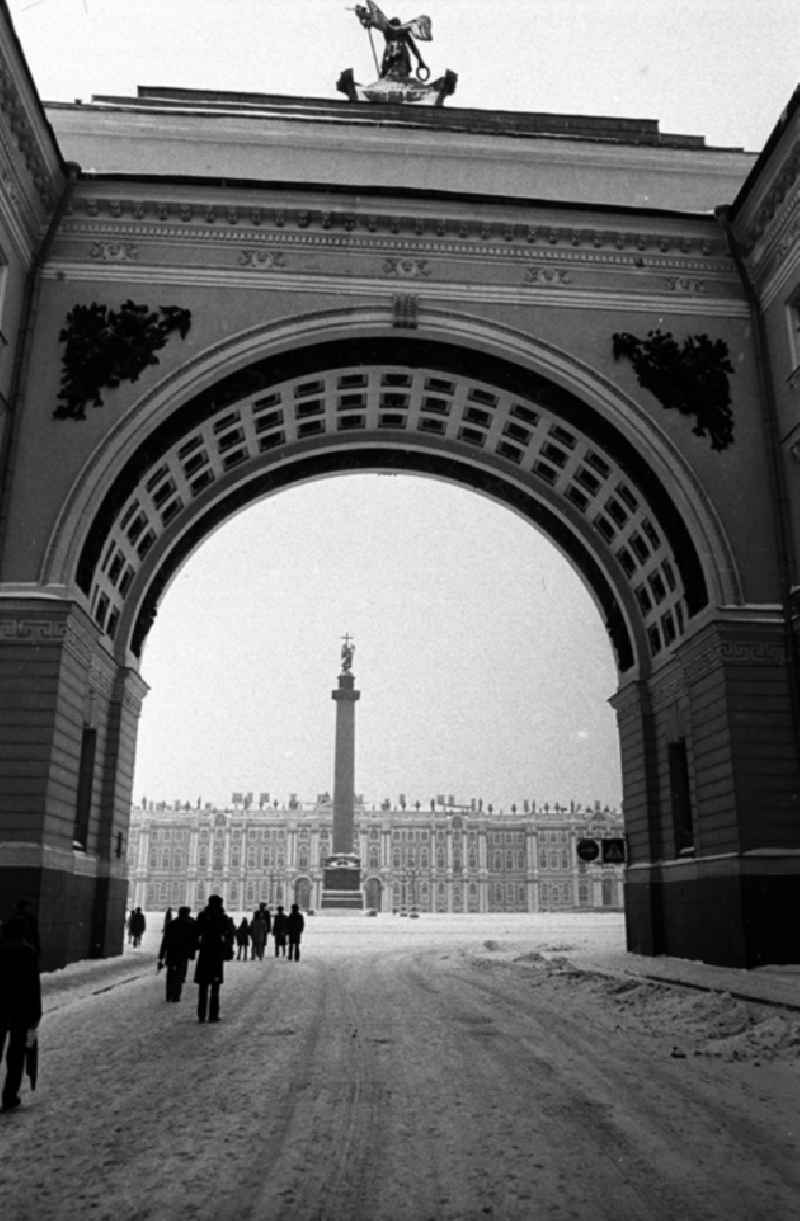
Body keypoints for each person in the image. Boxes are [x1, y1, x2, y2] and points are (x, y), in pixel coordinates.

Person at [0, 915, 41, 1112]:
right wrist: (36, 1015)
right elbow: (34, 987)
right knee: (16, 1056)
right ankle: (9, 1096)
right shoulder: (28, 953)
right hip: (21, 1012)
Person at [354, 2, 431, 80]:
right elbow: (413, 47)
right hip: (390, 58)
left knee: (394, 74)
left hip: (397, 58)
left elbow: (375, 21)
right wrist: (420, 61)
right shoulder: (396, 32)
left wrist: (420, 61)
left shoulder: (393, 31)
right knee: (387, 75)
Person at [194, 895, 233, 1023]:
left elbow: (196, 931)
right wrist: (228, 951)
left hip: (205, 953)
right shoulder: (223, 918)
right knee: (215, 987)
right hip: (216, 954)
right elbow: (229, 934)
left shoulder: (202, 916)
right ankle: (213, 1015)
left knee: (203, 986)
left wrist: (197, 945)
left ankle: (201, 1015)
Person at [158, 906, 196, 1002]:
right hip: (182, 954)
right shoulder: (189, 926)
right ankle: (176, 996)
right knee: (179, 976)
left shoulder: (171, 924)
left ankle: (169, 995)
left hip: (171, 953)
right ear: (187, 913)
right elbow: (192, 942)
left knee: (170, 974)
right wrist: (191, 954)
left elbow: (165, 941)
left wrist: (162, 955)